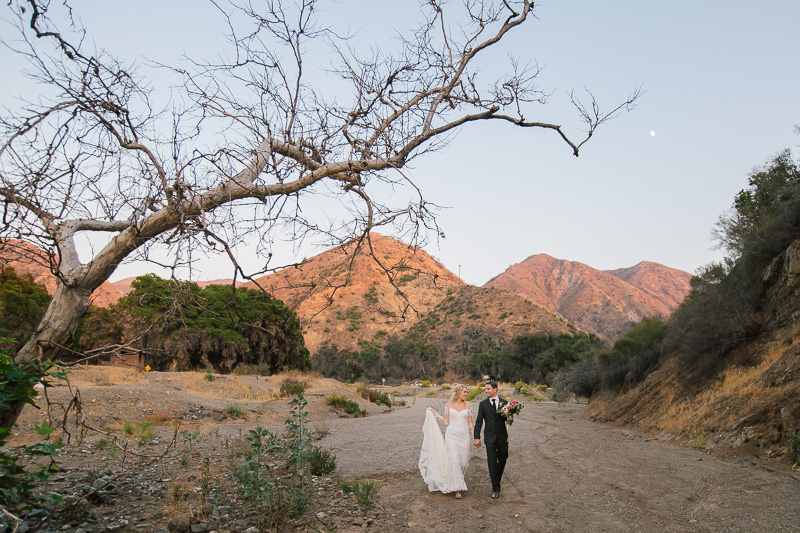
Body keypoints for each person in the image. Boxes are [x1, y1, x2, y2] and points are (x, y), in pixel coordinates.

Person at [418, 384, 475, 499]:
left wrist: (476, 437)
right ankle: (458, 489)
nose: (466, 394)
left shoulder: (468, 406)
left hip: (464, 436)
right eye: (464, 392)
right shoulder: (448, 405)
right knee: (454, 460)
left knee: (463, 463)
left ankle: (456, 480)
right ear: (458, 392)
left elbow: (470, 424)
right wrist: (434, 414)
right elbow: (445, 421)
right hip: (451, 436)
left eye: (467, 392)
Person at [473, 381, 508, 499]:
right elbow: (479, 421)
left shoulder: (505, 403)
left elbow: (508, 419)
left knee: (503, 459)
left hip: (503, 437)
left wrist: (510, 414)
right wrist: (476, 437)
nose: (486, 391)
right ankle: (495, 487)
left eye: (488, 389)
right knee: (492, 462)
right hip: (489, 438)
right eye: (485, 389)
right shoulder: (483, 404)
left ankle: (496, 479)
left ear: (495, 389)